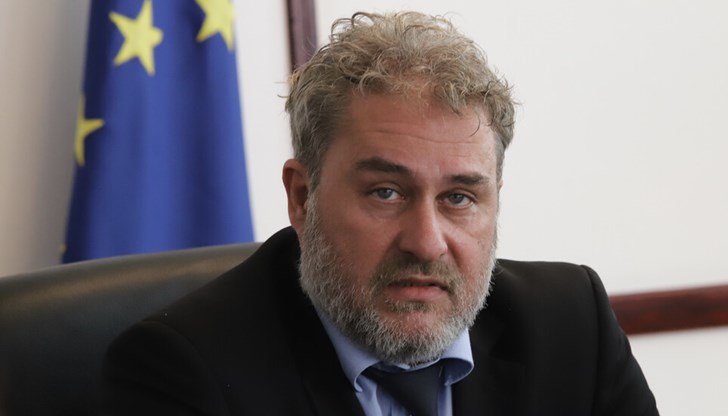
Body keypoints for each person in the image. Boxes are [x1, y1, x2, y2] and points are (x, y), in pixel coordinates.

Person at [101, 11, 658, 416]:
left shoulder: (571, 325)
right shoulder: (183, 371)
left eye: (459, 198)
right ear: (302, 197)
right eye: (386, 193)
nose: (427, 242)